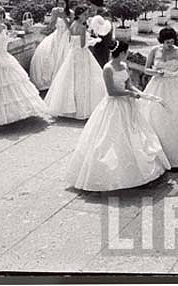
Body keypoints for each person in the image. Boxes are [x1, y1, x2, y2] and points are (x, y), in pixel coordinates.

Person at [65, 40, 170, 191]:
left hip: (127, 104)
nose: (127, 55)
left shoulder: (124, 66)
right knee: (110, 137)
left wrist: (139, 92)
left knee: (134, 134)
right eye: (126, 52)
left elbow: (129, 84)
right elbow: (112, 91)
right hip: (113, 105)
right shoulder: (108, 69)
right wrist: (130, 93)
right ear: (121, 53)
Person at [140, 27, 178, 168]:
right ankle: (158, 157)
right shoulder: (154, 51)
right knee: (156, 118)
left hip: (175, 88)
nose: (170, 44)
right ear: (161, 41)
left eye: (172, 42)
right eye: (167, 42)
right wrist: (158, 72)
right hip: (158, 86)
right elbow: (146, 69)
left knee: (174, 119)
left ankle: (177, 158)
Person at [44, 5, 107, 120]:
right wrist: (95, 41)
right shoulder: (82, 27)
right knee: (84, 79)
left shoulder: (72, 25)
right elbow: (83, 45)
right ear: (79, 15)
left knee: (70, 79)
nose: (86, 17)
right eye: (85, 14)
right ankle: (82, 108)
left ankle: (69, 107)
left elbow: (71, 41)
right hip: (82, 55)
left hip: (72, 54)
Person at [29, 0, 72, 91]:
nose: (60, 6)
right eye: (59, 3)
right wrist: (55, 17)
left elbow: (71, 28)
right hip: (56, 35)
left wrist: (65, 18)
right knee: (46, 54)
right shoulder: (54, 11)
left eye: (63, 4)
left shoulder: (71, 13)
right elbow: (52, 26)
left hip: (66, 36)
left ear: (67, 4)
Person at [87, 0, 115, 69]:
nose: (90, 6)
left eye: (91, 4)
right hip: (98, 44)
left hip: (102, 45)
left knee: (100, 66)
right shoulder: (100, 12)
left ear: (94, 3)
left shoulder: (105, 14)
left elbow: (105, 30)